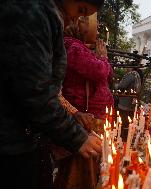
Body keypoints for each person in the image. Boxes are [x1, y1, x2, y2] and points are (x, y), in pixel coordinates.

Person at [0, 0, 104, 188]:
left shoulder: (44, 13)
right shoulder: (33, 13)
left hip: (25, 136)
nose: (75, 19)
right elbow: (35, 91)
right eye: (80, 10)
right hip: (11, 143)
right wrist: (77, 137)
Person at [53, 13, 113, 189]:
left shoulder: (80, 47)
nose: (98, 27)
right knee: (78, 171)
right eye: (96, 22)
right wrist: (102, 58)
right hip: (83, 121)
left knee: (89, 168)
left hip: (90, 120)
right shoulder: (73, 46)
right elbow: (99, 71)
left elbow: (106, 76)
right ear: (80, 21)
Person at [116, 68, 144, 141]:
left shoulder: (132, 74)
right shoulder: (138, 75)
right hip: (132, 104)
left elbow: (121, 86)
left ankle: (122, 141)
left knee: (123, 125)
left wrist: (116, 87)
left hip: (125, 104)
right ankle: (128, 141)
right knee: (130, 125)